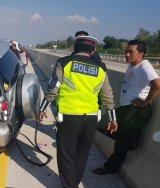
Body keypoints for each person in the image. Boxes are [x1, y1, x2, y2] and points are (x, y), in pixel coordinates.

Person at [37, 35, 117, 188]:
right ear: (93, 50)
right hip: (92, 119)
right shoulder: (101, 68)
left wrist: (42, 109)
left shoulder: (65, 63)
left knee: (66, 154)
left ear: (75, 48)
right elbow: (108, 96)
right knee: (82, 153)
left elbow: (53, 89)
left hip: (69, 117)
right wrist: (113, 119)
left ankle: (70, 185)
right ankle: (73, 182)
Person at [93, 39, 160, 175]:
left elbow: (157, 84)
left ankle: (110, 167)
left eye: (131, 52)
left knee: (121, 143)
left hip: (136, 110)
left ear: (140, 53)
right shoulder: (132, 65)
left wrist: (145, 102)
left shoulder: (144, 66)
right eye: (126, 51)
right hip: (126, 109)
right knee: (101, 124)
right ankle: (131, 141)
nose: (127, 54)